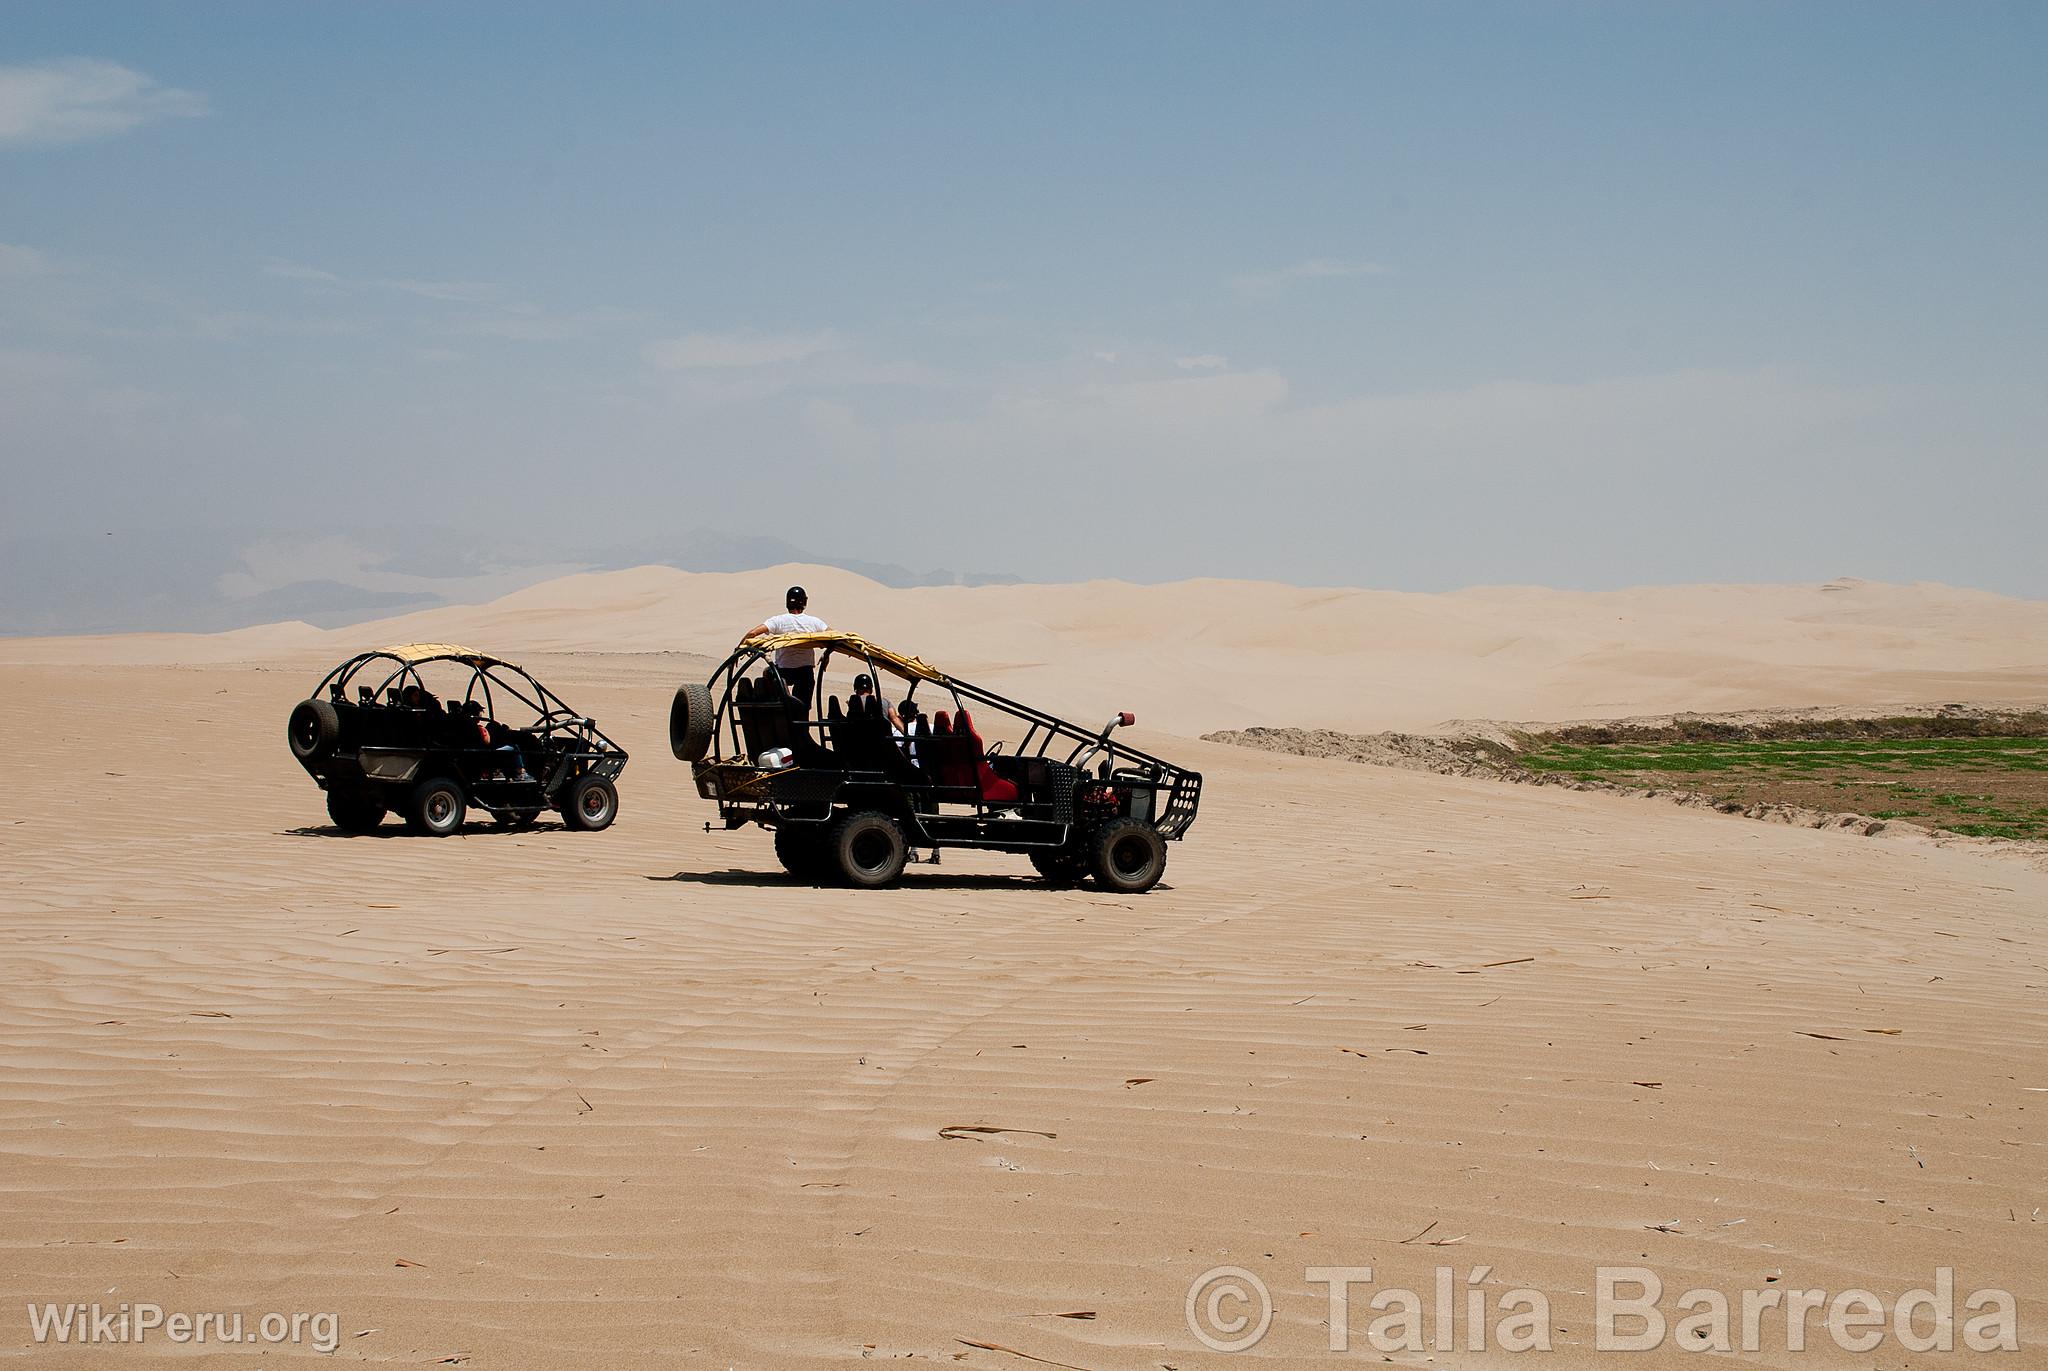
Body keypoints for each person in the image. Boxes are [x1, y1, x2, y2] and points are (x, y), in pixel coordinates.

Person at [744, 585, 827, 717]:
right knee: (802, 710)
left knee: (769, 675)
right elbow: (834, 636)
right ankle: (801, 732)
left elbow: (752, 633)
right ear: (804, 602)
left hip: (782, 672)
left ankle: (778, 706)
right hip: (805, 672)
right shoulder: (814, 622)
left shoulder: (778, 621)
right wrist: (826, 655)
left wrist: (738, 650)